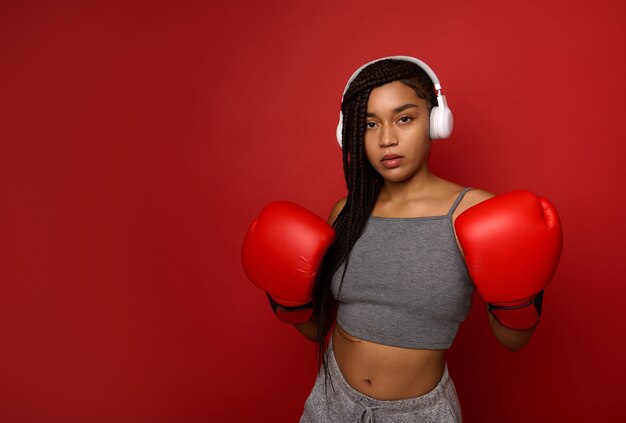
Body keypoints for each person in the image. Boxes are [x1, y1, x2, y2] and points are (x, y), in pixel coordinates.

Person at [241, 56, 563, 422]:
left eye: (404, 118)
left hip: (418, 413)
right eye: (369, 124)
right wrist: (288, 300)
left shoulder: (473, 212)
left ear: (437, 121)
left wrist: (519, 302)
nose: (387, 139)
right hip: (330, 404)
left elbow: (514, 340)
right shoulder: (347, 210)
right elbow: (318, 329)